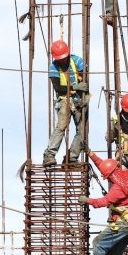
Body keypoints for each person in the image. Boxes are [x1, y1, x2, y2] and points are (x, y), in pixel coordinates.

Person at [81, 150, 128, 255]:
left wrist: (87, 200)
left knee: (98, 243)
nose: (107, 179)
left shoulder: (118, 188)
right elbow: (104, 165)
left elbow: (104, 201)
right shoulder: (125, 175)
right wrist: (90, 153)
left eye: (107, 177)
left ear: (110, 175)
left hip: (123, 223)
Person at [44, 39, 88, 167]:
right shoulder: (53, 67)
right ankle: (49, 155)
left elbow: (84, 80)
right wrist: (75, 87)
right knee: (61, 127)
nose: (62, 60)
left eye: (63, 58)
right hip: (64, 100)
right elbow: (58, 88)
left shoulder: (77, 61)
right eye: (59, 59)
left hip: (79, 100)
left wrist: (82, 89)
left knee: (82, 130)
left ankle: (72, 158)